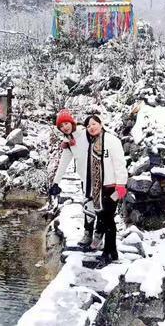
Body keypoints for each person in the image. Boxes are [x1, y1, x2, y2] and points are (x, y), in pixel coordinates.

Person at [82, 115, 127, 267]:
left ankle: (109, 252)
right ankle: (111, 252)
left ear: (101, 124)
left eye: (94, 124)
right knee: (104, 218)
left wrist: (121, 186)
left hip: (112, 187)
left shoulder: (112, 141)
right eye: (88, 126)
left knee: (108, 220)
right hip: (98, 190)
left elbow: (120, 164)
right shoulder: (93, 143)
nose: (92, 127)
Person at [49, 109, 96, 247]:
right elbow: (63, 163)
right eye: (61, 126)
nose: (65, 127)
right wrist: (55, 183)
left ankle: (100, 236)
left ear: (71, 121)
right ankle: (88, 234)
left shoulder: (86, 132)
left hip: (99, 176)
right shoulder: (68, 142)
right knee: (88, 205)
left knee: (101, 208)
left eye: (66, 123)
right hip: (85, 179)